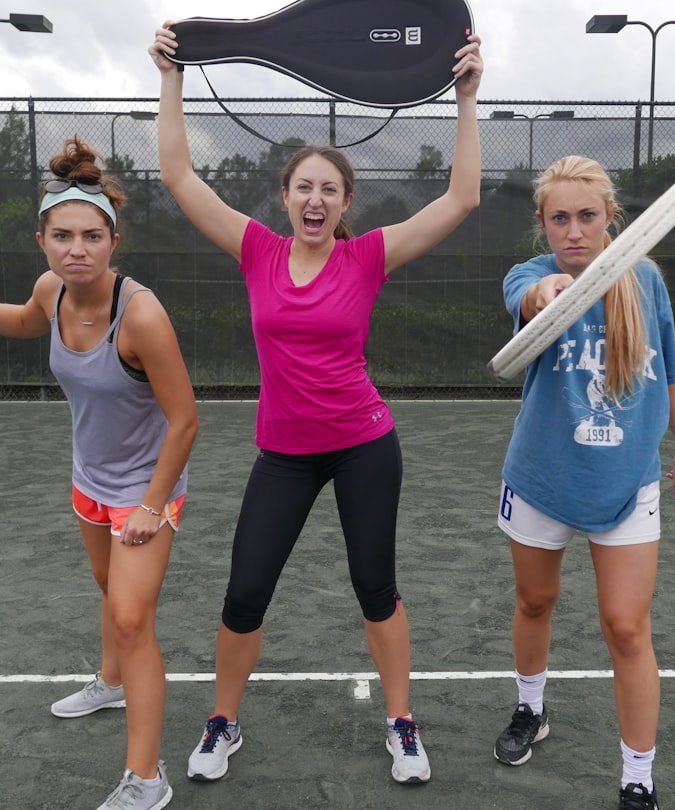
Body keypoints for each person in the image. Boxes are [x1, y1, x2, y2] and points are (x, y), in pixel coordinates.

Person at [148, 21, 482, 786]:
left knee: (376, 586)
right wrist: (174, 76)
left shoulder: (366, 257)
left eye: (330, 189)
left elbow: (462, 198)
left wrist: (466, 97)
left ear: (344, 202)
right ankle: (222, 721)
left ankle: (402, 723)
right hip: (284, 456)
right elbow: (178, 176)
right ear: (285, 194)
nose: (316, 198)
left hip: (365, 444)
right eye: (304, 185)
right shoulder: (257, 250)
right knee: (245, 592)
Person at [0, 137, 199, 810]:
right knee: (106, 588)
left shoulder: (143, 315)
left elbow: (185, 421)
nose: (76, 249)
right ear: (42, 240)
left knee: (132, 619)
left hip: (145, 493)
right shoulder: (52, 290)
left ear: (113, 240)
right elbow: (22, 319)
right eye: (62, 235)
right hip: (89, 482)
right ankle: (111, 681)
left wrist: (154, 506)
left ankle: (147, 780)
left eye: (91, 236)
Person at [491, 156, 675, 810]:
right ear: (543, 223)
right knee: (534, 602)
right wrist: (548, 295)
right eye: (560, 218)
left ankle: (637, 775)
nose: (574, 230)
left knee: (627, 628)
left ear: (611, 216)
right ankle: (532, 709)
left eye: (587, 216)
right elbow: (525, 295)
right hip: (542, 477)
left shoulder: (647, 283)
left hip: (628, 482)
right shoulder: (532, 274)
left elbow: (666, 372)